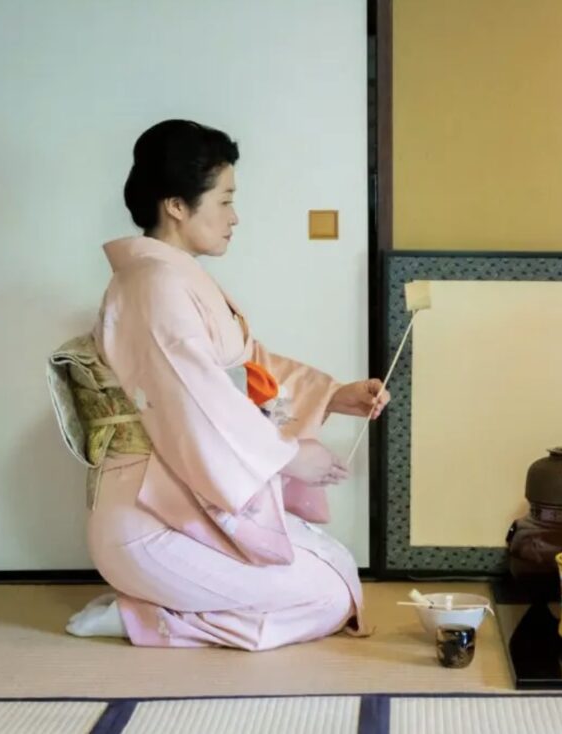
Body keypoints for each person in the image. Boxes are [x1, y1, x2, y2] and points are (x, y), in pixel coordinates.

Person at [62, 120, 389, 650]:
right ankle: (145, 619)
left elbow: (245, 365)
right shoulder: (154, 286)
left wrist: (332, 395)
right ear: (176, 205)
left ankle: (156, 608)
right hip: (148, 520)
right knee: (326, 597)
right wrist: (287, 456)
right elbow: (198, 402)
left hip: (179, 499)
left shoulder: (171, 276)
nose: (234, 217)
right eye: (224, 200)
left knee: (337, 568)